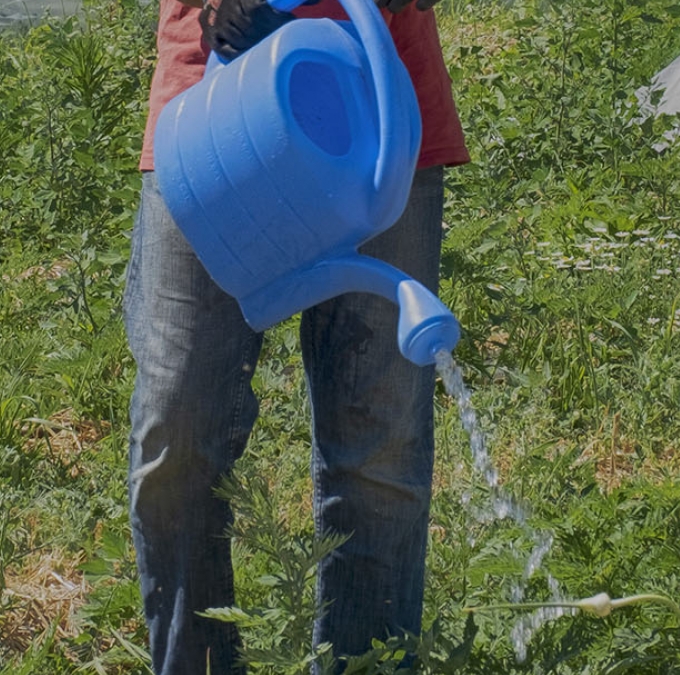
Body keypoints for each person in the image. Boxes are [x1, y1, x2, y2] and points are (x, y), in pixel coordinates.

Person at [124, 0, 469, 672]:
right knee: (177, 430)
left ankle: (363, 663)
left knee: (379, 452)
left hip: (377, 110)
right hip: (210, 101)